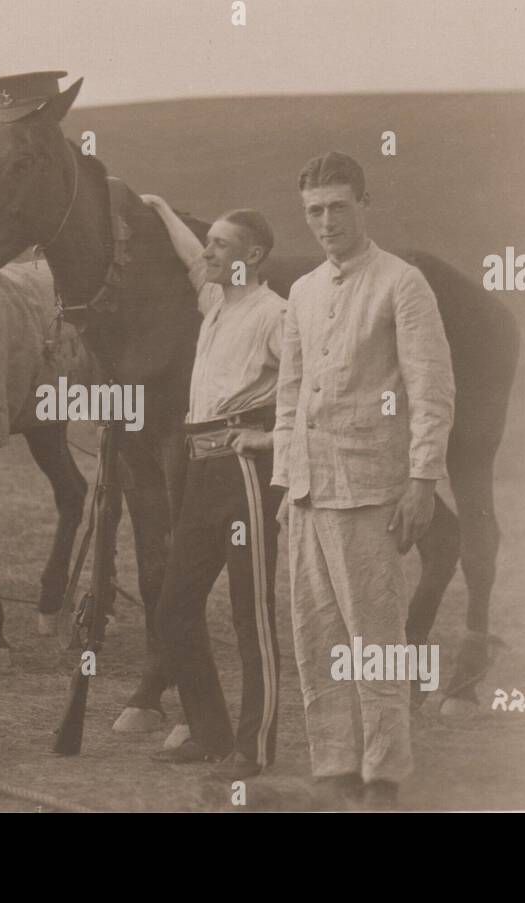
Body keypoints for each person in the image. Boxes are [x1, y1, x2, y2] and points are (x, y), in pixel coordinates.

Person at [273, 151, 454, 807]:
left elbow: (432, 390)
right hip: (308, 492)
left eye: (338, 207)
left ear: (364, 205)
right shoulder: (301, 291)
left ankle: (383, 774)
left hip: (372, 489)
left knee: (376, 640)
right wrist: (284, 485)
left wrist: (423, 479)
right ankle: (335, 768)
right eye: (315, 211)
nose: (326, 222)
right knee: (315, 637)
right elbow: (288, 396)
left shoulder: (401, 284)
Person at [139, 194, 285, 781]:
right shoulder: (217, 302)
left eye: (221, 244)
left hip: (245, 473)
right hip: (200, 471)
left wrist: (272, 440)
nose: (209, 252)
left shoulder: (276, 315)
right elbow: (193, 261)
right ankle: (210, 731)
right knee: (174, 609)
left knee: (251, 615)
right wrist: (160, 209)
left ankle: (256, 747)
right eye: (211, 242)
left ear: (254, 255)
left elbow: (313, 388)